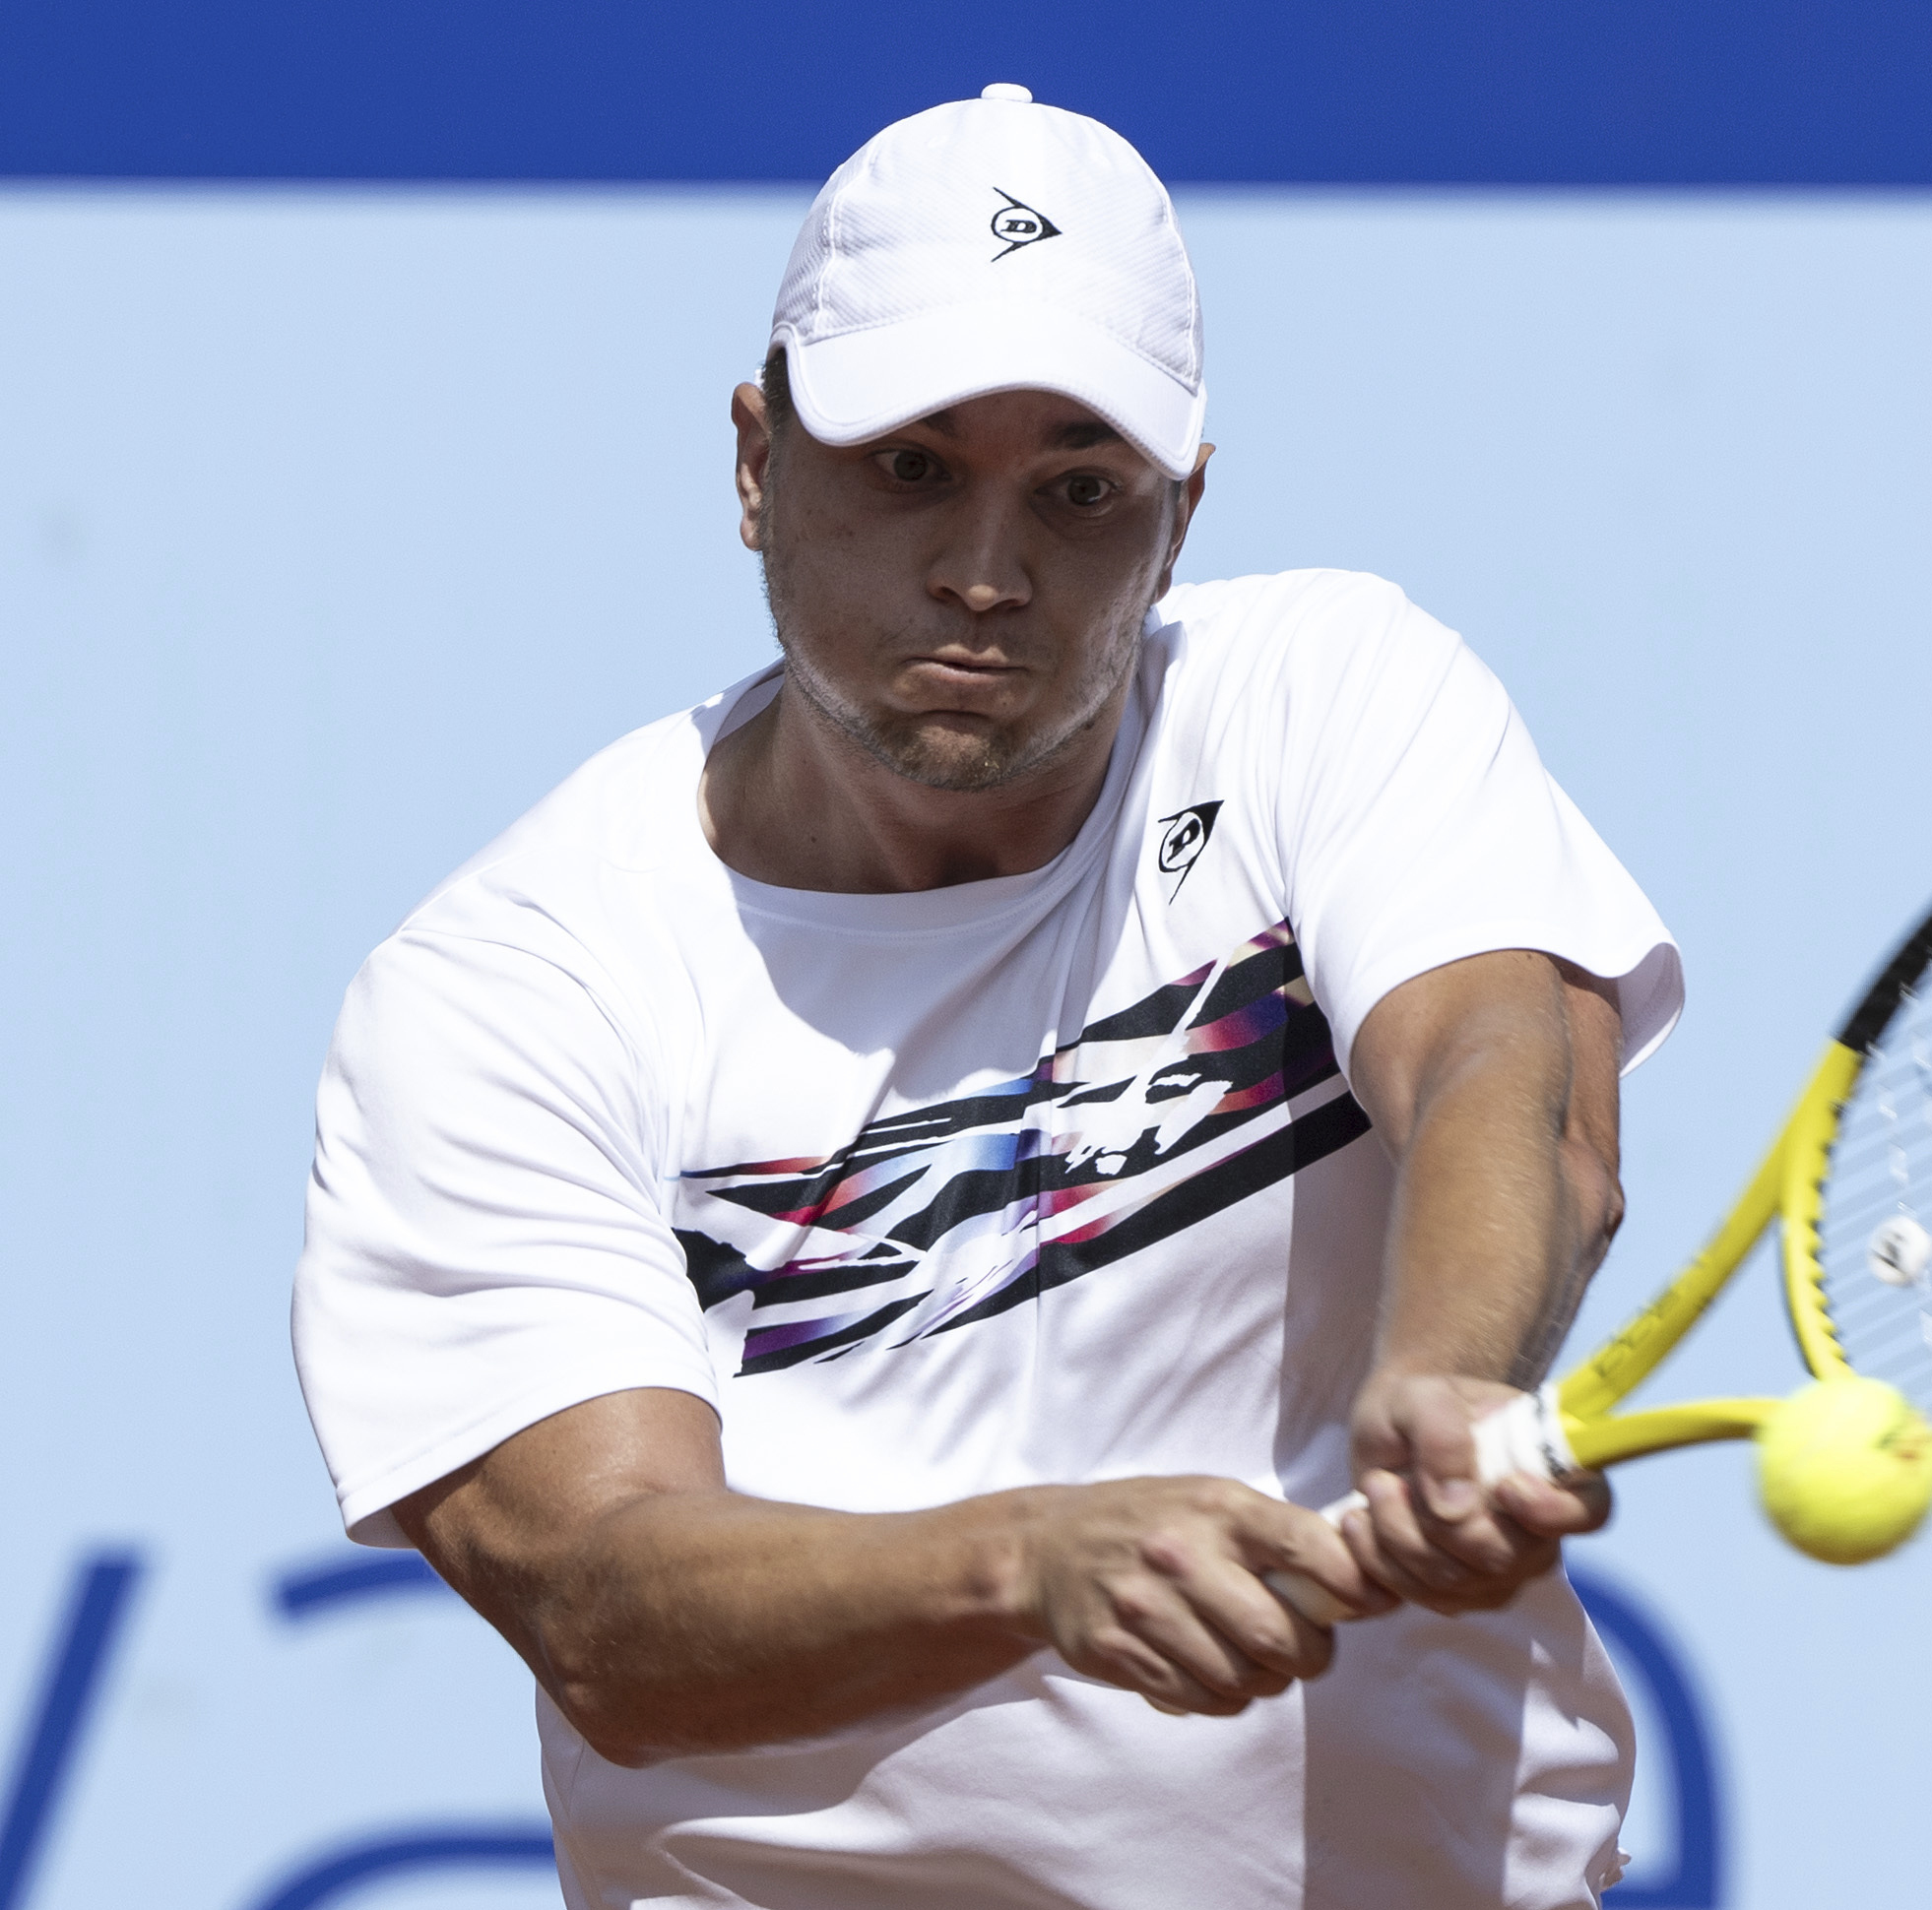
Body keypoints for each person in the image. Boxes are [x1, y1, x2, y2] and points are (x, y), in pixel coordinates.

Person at [289, 84, 1682, 1910]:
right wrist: (1027, 1566)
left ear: (1178, 521)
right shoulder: (509, 988)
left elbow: (1514, 1073)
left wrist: (1440, 1374)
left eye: (1078, 491)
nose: (985, 571)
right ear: (752, 462)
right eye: (910, 466)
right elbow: (609, 1606)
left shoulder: (1324, 694)